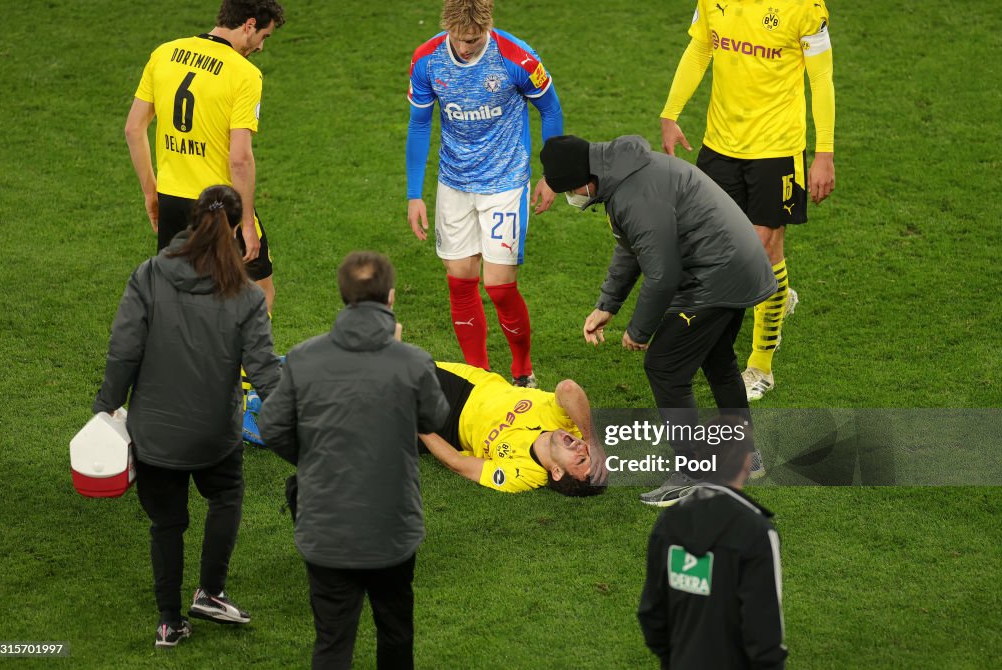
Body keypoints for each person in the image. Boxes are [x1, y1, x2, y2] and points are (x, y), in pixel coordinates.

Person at [92, 185, 282, 648]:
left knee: (167, 524)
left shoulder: (150, 275)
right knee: (226, 495)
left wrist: (104, 409)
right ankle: (211, 592)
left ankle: (168, 621)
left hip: (153, 434)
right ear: (237, 229)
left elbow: (123, 352)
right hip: (215, 435)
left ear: (192, 219)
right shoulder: (246, 296)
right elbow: (265, 374)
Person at [540, 134, 775, 506]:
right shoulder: (623, 176)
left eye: (570, 190)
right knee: (717, 359)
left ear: (585, 178)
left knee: (665, 366)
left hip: (717, 274)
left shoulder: (634, 195)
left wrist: (639, 330)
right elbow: (632, 246)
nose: (572, 198)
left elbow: (662, 272)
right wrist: (609, 304)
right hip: (735, 266)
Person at [258, 251, 449, 670]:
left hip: (325, 530)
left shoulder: (304, 358)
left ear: (343, 296)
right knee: (396, 632)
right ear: (392, 298)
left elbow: (271, 427)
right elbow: (435, 417)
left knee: (332, 641)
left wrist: (308, 460)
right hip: (392, 530)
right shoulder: (412, 362)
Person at [658, 0, 836, 401]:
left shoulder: (804, 7)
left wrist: (823, 153)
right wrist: (671, 112)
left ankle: (761, 365)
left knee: (760, 251)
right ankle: (775, 292)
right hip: (719, 145)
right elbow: (701, 47)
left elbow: (821, 78)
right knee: (712, 245)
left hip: (777, 148)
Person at [406, 0, 565, 388]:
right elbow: (419, 124)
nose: (465, 48)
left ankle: (522, 371)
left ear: (487, 28)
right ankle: (480, 376)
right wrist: (414, 194)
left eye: (474, 40)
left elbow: (552, 110)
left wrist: (553, 175)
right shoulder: (426, 60)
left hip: (506, 183)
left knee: (498, 285)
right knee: (460, 278)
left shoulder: (518, 58)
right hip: (454, 183)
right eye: (459, 40)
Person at [125, 0, 286, 313]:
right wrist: (247, 223)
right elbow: (239, 158)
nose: (261, 47)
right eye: (264, 37)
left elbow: (134, 129)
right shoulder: (244, 74)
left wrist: (151, 192)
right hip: (220, 206)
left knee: (179, 300)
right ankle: (238, 363)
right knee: (259, 291)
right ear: (249, 25)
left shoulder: (164, 53)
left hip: (171, 200)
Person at [638, 418, 787, 669]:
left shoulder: (668, 523)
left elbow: (652, 615)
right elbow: (764, 632)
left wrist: (673, 660)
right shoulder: (757, 532)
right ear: (747, 462)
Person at [420, 362, 608, 495]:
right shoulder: (568, 423)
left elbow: (457, 462)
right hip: (466, 387)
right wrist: (592, 440)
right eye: (590, 451)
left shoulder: (522, 475)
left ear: (557, 472)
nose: (582, 448)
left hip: (447, 430)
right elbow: (568, 388)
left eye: (582, 459)